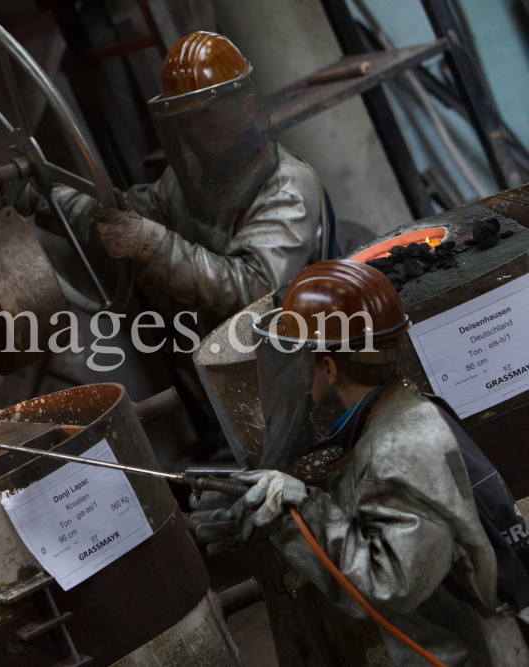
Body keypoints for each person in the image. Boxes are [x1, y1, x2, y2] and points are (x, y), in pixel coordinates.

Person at [192, 260, 529, 666]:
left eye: (304, 356)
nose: (299, 368)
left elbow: (389, 584)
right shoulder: (402, 414)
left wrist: (295, 512)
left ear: (329, 368)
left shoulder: (399, 449)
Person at [34, 31, 333, 320]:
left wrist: (152, 244)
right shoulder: (184, 183)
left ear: (248, 108)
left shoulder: (288, 187)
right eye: (185, 121)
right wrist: (38, 198)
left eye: (206, 117)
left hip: (306, 344)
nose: (194, 134)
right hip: (230, 349)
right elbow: (117, 218)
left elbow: (255, 289)